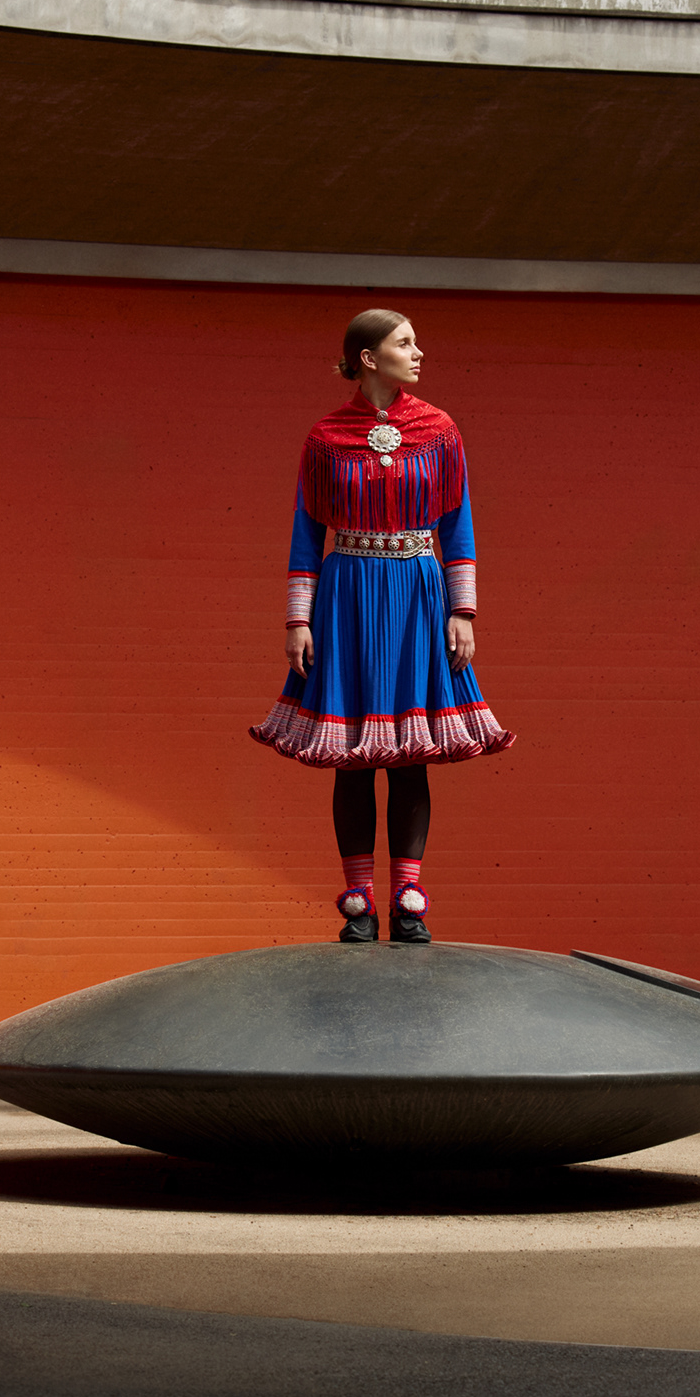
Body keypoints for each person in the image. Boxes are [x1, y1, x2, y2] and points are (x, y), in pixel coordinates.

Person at [250, 309, 514, 942]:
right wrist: (298, 619)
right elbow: (306, 533)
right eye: (405, 343)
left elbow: (457, 525)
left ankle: (409, 901)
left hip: (418, 593)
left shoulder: (439, 430)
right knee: (352, 758)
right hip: (346, 597)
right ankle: (358, 903)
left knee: (409, 756)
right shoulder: (325, 438)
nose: (419, 353)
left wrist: (462, 611)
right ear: (368, 358)